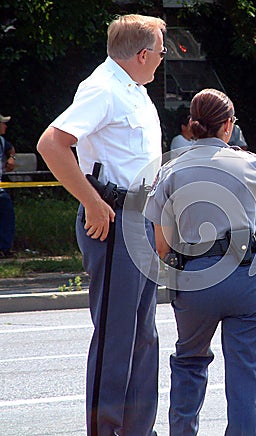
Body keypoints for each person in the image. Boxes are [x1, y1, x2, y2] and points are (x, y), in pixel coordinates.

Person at [145, 88, 256, 435]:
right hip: (246, 277)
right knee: (245, 374)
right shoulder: (247, 162)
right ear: (228, 126)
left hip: (195, 280)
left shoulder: (170, 170)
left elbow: (161, 245)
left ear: (192, 125)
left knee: (189, 362)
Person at [37, 14, 166, 436]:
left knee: (143, 340)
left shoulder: (135, 90)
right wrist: (90, 202)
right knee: (116, 340)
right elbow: (52, 143)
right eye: (162, 52)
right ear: (143, 54)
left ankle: (136, 430)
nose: (163, 59)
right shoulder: (103, 88)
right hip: (114, 220)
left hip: (140, 220)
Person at [0, 114, 16, 258]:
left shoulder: (2, 141)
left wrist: (12, 158)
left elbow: (11, 149)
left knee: (6, 213)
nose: (5, 126)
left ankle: (4, 248)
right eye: (3, 123)